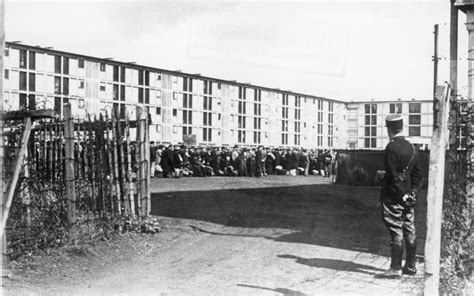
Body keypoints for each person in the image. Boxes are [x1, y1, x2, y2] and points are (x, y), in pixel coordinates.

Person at [378, 114, 423, 278]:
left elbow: (393, 174)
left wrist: (401, 194)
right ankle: (410, 266)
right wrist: (412, 193)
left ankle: (395, 268)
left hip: (393, 196)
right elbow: (418, 175)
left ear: (389, 129)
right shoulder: (412, 147)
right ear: (402, 128)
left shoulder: (390, 148)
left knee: (396, 231)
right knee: (410, 229)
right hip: (409, 197)